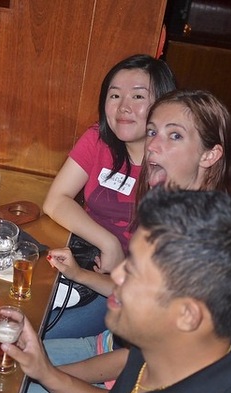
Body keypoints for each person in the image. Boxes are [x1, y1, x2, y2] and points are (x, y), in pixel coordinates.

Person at [29, 89, 231, 393]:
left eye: (175, 136)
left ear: (210, 155)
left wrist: (48, 376)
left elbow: (136, 367)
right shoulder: (172, 214)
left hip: (123, 380)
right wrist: (81, 275)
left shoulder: (208, 254)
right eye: (153, 132)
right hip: (106, 347)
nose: (153, 145)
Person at [6, 188, 231, 393]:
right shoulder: (176, 345)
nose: (117, 275)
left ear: (187, 314)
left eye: (134, 270)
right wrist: (46, 373)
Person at [42, 54, 176, 338]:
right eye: (115, 95)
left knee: (36, 332)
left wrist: (117, 261)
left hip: (123, 289)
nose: (124, 107)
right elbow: (56, 200)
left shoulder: (175, 167)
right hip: (80, 254)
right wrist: (108, 242)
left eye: (138, 96)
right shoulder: (98, 139)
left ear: (164, 104)